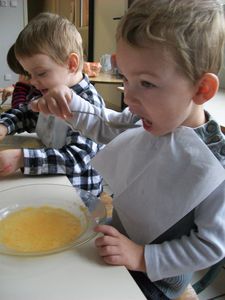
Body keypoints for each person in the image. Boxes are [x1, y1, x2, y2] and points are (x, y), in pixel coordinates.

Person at [30, 1, 225, 299]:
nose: (129, 97)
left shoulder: (214, 166)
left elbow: (211, 244)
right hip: (117, 236)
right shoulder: (145, 118)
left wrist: (141, 257)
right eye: (125, 78)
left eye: (146, 83)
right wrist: (67, 100)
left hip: (157, 275)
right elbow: (105, 124)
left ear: (201, 90)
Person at [0, 12, 105, 197]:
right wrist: (4, 125)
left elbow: (76, 159)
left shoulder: (89, 104)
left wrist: (21, 159)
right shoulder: (49, 92)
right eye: (29, 74)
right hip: (51, 179)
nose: (33, 81)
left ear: (72, 64)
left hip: (77, 193)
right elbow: (26, 113)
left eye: (40, 73)